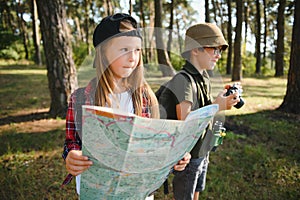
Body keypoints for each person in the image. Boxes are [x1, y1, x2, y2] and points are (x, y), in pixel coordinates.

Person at [61, 13, 191, 199]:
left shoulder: (145, 97)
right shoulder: (81, 98)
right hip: (98, 191)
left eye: (137, 50)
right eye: (124, 49)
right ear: (103, 52)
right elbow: (72, 140)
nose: (133, 58)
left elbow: (154, 145)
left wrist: (175, 156)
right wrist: (71, 155)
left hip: (138, 192)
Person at [157, 23, 241, 200]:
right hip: (189, 155)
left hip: (203, 148)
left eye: (220, 50)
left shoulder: (203, 77)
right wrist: (217, 107)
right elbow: (187, 121)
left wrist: (220, 100)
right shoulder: (183, 80)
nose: (218, 55)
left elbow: (202, 107)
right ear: (195, 50)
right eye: (214, 49)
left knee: (197, 191)